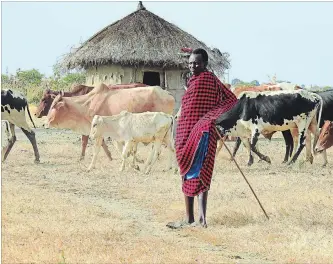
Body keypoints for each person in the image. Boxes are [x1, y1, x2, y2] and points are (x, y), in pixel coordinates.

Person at [167, 48, 238, 229]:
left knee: (201, 172)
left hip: (204, 134)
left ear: (205, 64)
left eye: (196, 63)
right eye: (190, 63)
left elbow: (232, 99)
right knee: (186, 173)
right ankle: (190, 218)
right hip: (185, 134)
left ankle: (202, 219)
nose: (193, 66)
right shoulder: (192, 81)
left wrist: (211, 117)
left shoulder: (210, 80)